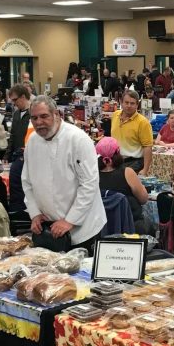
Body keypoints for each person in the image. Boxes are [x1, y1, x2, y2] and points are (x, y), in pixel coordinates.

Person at [22, 96, 106, 247]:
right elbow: (27, 182)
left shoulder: (78, 139)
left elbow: (89, 184)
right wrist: (34, 213)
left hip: (82, 229)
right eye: (34, 118)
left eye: (44, 116)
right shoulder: (32, 141)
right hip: (48, 228)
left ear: (56, 114)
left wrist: (70, 220)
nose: (39, 122)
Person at [95, 137, 151, 235]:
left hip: (100, 226)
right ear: (118, 153)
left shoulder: (92, 175)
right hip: (130, 226)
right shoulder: (128, 173)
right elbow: (143, 199)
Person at [111, 90, 154, 175]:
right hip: (116, 160)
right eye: (126, 102)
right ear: (121, 102)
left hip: (134, 163)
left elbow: (147, 147)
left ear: (137, 105)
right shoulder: (115, 115)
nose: (129, 106)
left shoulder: (143, 122)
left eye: (132, 103)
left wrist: (145, 170)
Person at [5, 83, 32, 153]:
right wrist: (6, 156)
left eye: (15, 100)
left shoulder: (34, 114)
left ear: (23, 97)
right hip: (17, 154)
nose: (13, 103)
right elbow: (12, 136)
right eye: (12, 100)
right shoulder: (16, 114)